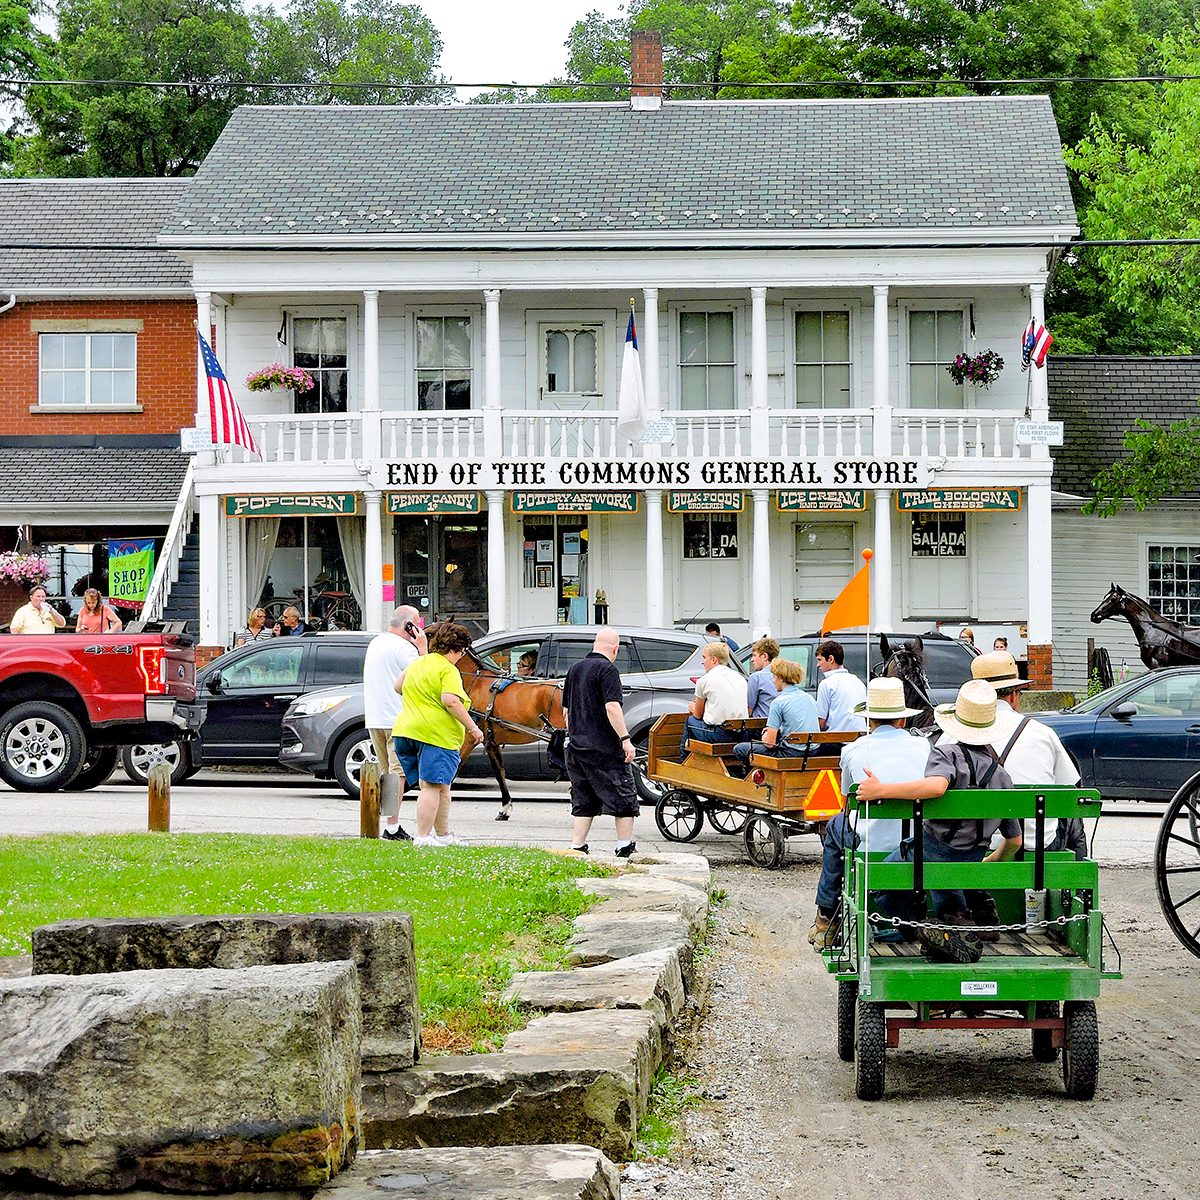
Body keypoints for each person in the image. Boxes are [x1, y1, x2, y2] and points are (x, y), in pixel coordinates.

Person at [857, 679, 1023, 954]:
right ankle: (963, 909)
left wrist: (881, 790)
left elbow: (936, 787)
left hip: (932, 849)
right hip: (971, 857)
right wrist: (989, 864)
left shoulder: (947, 754)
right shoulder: (1002, 776)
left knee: (884, 882)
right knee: (951, 874)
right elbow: (1015, 841)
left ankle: (922, 927)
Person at [807, 677, 929, 948]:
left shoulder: (852, 751)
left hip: (867, 842)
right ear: (903, 720)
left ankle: (826, 916)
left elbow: (847, 802)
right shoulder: (924, 747)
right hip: (914, 845)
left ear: (868, 721)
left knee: (836, 824)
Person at [955, 649, 1083, 857]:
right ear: (1014, 695)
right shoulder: (1042, 733)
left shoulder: (952, 734)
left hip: (968, 847)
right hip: (1035, 847)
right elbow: (1068, 787)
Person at [392, 622, 484, 848]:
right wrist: (473, 728)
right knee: (431, 786)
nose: (462, 657)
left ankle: (443, 836)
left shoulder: (419, 662)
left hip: (406, 731)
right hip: (435, 735)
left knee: (442, 786)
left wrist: (420, 697)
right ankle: (423, 837)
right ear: (457, 649)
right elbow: (450, 700)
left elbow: (398, 686)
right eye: (462, 652)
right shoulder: (448, 669)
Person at [563, 627, 639, 857]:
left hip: (576, 748)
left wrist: (575, 734)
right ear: (615, 649)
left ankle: (577, 847)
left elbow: (566, 711)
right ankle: (624, 847)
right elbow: (612, 707)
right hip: (604, 749)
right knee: (624, 797)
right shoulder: (608, 670)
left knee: (583, 799)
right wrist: (625, 739)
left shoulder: (575, 669)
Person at [364, 606, 426, 841]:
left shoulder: (376, 642)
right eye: (417, 624)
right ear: (409, 626)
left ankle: (383, 822)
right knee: (397, 774)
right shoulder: (404, 648)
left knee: (386, 773)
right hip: (396, 718)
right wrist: (422, 648)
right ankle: (391, 826)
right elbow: (423, 675)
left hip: (375, 717)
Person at [733, 659, 818, 771]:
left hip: (790, 753)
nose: (773, 681)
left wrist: (764, 735)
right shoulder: (809, 698)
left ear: (781, 678)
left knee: (739, 749)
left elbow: (769, 743)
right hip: (813, 751)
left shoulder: (778, 702)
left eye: (774, 677)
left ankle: (754, 775)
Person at [679, 641, 749, 758]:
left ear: (714, 660)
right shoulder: (740, 678)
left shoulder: (704, 680)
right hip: (742, 734)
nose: (702, 662)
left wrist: (693, 707)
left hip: (719, 735)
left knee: (690, 721)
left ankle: (684, 761)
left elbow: (697, 715)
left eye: (704, 657)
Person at [814, 639, 867, 733]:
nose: (818, 665)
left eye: (819, 660)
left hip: (837, 738)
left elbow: (821, 723)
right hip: (861, 736)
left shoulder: (826, 684)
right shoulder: (858, 681)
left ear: (830, 659)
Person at [745, 637, 781, 719]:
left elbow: (748, 710)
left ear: (765, 656)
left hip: (760, 724)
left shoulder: (756, 677)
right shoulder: (782, 675)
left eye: (754, 655)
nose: (752, 660)